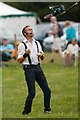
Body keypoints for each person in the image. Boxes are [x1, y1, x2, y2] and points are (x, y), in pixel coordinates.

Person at [17, 25, 51, 115]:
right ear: (25, 33)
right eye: (29, 30)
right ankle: (26, 112)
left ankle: (47, 109)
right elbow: (19, 60)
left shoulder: (37, 43)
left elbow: (42, 58)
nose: (31, 31)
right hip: (29, 69)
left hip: (38, 68)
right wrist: (25, 54)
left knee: (47, 90)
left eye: (31, 29)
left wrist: (41, 55)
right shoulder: (22, 45)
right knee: (32, 92)